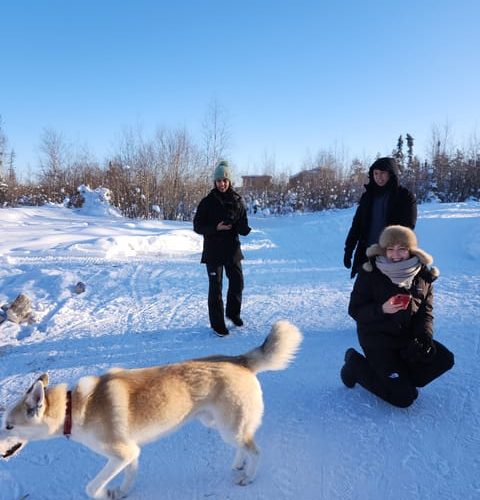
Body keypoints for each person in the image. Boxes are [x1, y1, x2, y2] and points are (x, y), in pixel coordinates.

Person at [340, 225, 454, 407]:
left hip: (405, 339)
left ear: (411, 250)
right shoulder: (371, 273)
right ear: (383, 250)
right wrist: (382, 309)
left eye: (402, 249)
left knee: (443, 359)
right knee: (404, 397)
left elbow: (425, 313)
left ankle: (399, 379)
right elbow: (355, 310)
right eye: (390, 249)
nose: (395, 255)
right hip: (377, 341)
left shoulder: (423, 276)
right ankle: (354, 365)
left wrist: (424, 337)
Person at [193, 160, 251, 337]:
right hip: (213, 251)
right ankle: (217, 324)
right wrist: (215, 228)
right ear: (215, 182)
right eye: (219, 180)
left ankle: (233, 314)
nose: (222, 183)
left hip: (232, 249)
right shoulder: (207, 202)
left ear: (229, 181)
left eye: (225, 180)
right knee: (215, 287)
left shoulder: (237, 200)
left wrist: (238, 225)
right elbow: (197, 226)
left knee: (237, 282)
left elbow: (244, 226)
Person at [344, 157, 417, 279]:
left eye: (383, 173)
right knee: (361, 295)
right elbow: (357, 225)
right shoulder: (368, 196)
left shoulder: (404, 196)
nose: (379, 177)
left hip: (392, 258)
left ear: (391, 174)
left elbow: (408, 227)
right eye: (376, 173)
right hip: (366, 255)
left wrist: (394, 250)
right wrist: (349, 250)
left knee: (388, 295)